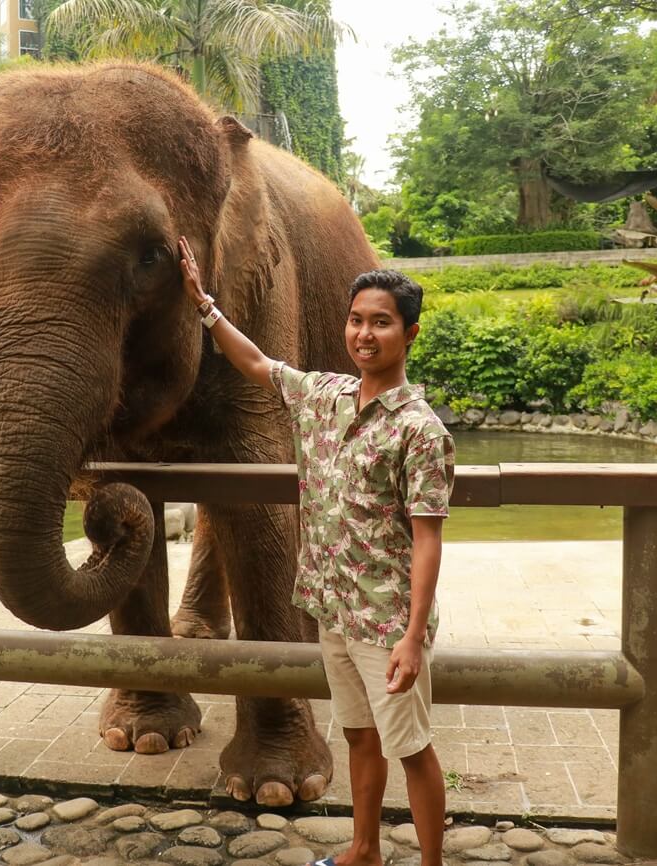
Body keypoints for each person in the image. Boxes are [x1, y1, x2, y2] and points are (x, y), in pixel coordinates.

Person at [177, 236, 453, 866]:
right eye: (357, 321)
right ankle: (364, 850)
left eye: (381, 323)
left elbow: (430, 539)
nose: (365, 334)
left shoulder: (420, 429)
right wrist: (204, 305)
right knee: (358, 736)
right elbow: (256, 365)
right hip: (332, 608)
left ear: (409, 334)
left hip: (386, 622)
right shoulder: (325, 398)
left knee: (412, 747)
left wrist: (412, 636)